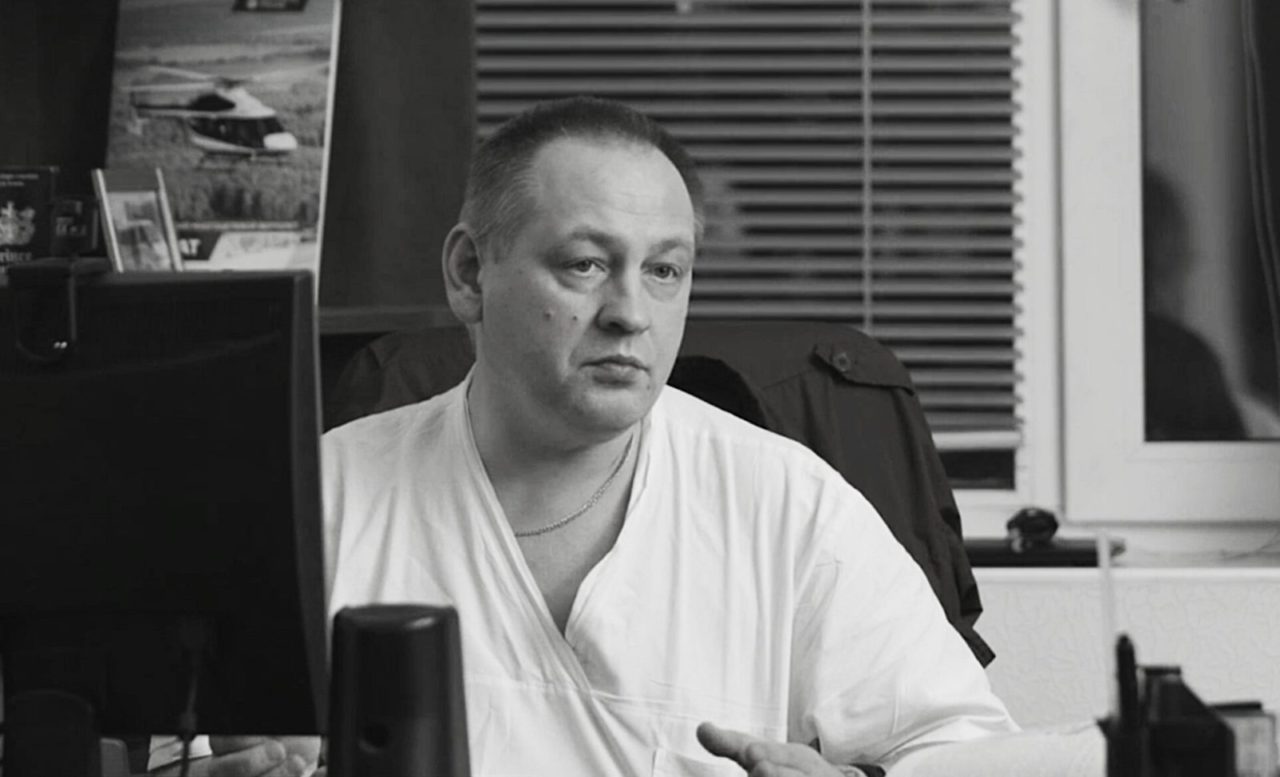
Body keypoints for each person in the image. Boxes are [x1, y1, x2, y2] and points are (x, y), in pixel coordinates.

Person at [191, 96, 1016, 777]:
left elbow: (967, 751)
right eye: (585, 264)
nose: (631, 313)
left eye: (664, 270)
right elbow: (188, 747)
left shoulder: (791, 509)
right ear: (470, 274)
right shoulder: (317, 506)